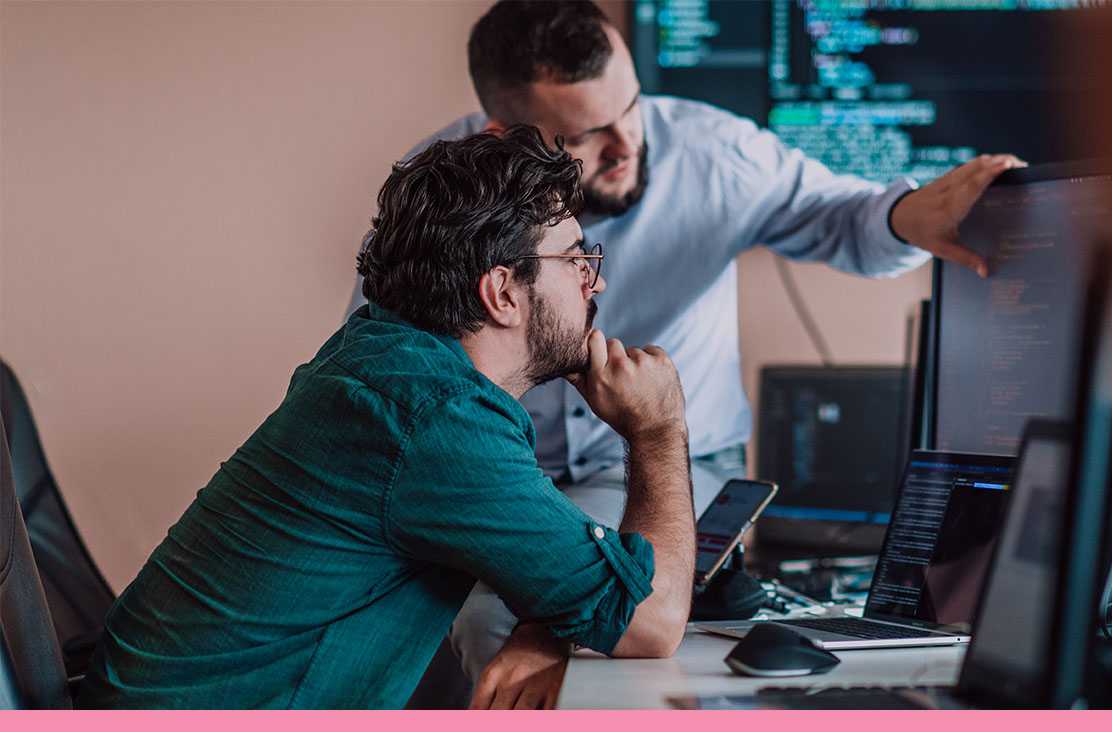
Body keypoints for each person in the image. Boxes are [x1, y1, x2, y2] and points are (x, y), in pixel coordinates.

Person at [344, 1, 1024, 703]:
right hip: (505, 470)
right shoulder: (448, 194)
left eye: (631, 107)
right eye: (588, 133)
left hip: (660, 464)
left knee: (496, 616)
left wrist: (910, 216)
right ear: (504, 137)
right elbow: (389, 363)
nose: (627, 143)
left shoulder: (713, 153)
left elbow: (841, 216)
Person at [78, 126, 696, 709]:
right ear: (503, 293)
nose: (596, 283)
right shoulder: (438, 420)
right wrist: (658, 427)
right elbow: (652, 619)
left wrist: (551, 626)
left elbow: (547, 565)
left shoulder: (382, 353)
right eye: (577, 260)